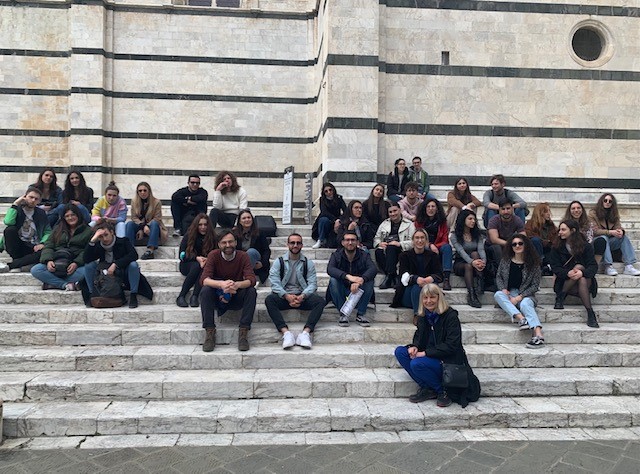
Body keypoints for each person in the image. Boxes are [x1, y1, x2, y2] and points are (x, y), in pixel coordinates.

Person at [394, 284, 481, 407]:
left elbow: (452, 345)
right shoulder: (423, 316)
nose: (428, 301)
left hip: (447, 359)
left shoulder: (450, 316)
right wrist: (415, 346)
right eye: (425, 298)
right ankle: (428, 388)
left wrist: (425, 353)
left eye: (432, 297)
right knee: (400, 352)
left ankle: (442, 391)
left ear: (439, 298)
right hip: (429, 356)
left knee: (417, 363)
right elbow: (419, 336)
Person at [265, 233, 326, 349]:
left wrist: (302, 296)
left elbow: (312, 284)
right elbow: (274, 282)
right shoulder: (279, 262)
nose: (295, 245)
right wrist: (286, 296)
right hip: (284, 296)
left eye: (298, 243)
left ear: (302, 245)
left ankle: (306, 333)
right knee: (269, 300)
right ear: (287, 244)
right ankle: (286, 333)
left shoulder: (308, 263)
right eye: (292, 243)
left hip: (302, 297)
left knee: (320, 301)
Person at [199, 230, 257, 352]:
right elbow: (204, 279)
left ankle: (243, 332)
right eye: (224, 242)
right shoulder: (213, 255)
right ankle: (210, 332)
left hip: (236, 295)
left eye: (230, 241)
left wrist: (236, 285)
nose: (228, 245)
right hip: (218, 296)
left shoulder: (243, 256)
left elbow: (251, 279)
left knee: (251, 291)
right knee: (205, 290)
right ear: (219, 244)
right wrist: (221, 284)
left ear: (236, 242)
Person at [84, 221, 153, 309]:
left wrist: (116, 264)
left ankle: (133, 295)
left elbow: (133, 255)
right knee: (89, 265)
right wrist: (93, 240)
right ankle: (92, 294)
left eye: (106, 234)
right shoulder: (98, 245)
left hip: (122, 273)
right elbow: (86, 259)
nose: (104, 238)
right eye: (101, 236)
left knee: (133, 265)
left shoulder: (123, 241)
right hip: (104, 276)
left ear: (112, 232)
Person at [493, 234, 545, 348]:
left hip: (526, 295)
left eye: (520, 243)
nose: (517, 246)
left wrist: (519, 297)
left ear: (526, 245)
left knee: (526, 304)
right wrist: (503, 289)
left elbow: (535, 286)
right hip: (509, 293)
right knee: (498, 294)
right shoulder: (506, 261)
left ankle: (538, 335)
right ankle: (522, 319)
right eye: (514, 244)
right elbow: (499, 277)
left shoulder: (534, 264)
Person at [549, 220, 599, 328]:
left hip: (584, 282)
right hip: (565, 281)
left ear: (572, 231)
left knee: (580, 271)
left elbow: (593, 266)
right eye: (560, 230)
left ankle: (562, 297)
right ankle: (590, 312)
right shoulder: (556, 247)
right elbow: (555, 267)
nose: (560, 232)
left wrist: (582, 273)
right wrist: (568, 273)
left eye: (563, 230)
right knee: (578, 269)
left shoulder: (586, 246)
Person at [30, 204, 92, 291]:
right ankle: (64, 284)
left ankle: (52, 283)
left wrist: (76, 263)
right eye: (67, 216)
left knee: (89, 270)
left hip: (75, 266)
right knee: (36, 270)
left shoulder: (88, 231)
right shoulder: (57, 229)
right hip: (57, 263)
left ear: (78, 215)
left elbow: (88, 250)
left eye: (73, 215)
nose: (70, 218)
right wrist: (48, 260)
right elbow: (49, 245)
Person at [390, 229, 443, 322]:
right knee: (417, 287)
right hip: (408, 295)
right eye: (417, 238)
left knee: (428, 287)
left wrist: (430, 278)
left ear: (426, 240)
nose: (420, 240)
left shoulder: (433, 256)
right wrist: (416, 279)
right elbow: (403, 275)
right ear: (413, 241)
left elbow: (439, 274)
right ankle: (418, 315)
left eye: (422, 238)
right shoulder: (404, 255)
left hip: (428, 292)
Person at [327, 231, 377, 327]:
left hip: (359, 291)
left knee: (369, 280)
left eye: (353, 240)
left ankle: (361, 314)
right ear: (343, 243)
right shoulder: (336, 255)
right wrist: (348, 277)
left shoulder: (364, 255)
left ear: (357, 242)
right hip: (343, 291)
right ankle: (344, 314)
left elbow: (373, 269)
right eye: (347, 240)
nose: (350, 243)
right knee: (333, 280)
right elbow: (330, 269)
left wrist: (361, 280)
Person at [0, 187, 51, 273]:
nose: (33, 200)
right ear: (25, 197)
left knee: (44, 252)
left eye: (36, 199)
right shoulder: (17, 209)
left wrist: (42, 243)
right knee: (10, 230)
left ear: (39, 201)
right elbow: (8, 222)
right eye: (31, 197)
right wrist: (15, 203)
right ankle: (20, 263)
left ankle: (12, 265)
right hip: (18, 245)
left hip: (33, 246)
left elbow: (48, 231)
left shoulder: (41, 213)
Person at [589, 193, 640, 276]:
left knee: (623, 237)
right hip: (597, 243)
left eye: (610, 201)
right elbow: (595, 231)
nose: (607, 202)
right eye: (605, 200)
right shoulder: (593, 214)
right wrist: (610, 232)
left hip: (610, 243)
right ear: (601, 202)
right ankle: (608, 266)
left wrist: (620, 232)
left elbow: (618, 226)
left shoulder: (614, 214)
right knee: (603, 238)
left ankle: (629, 265)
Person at [176, 214, 217, 308]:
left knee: (204, 268)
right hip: (187, 264)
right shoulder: (189, 235)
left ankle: (195, 296)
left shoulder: (213, 237)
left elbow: (216, 253)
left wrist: (208, 259)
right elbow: (182, 255)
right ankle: (181, 295)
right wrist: (196, 258)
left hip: (205, 264)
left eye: (205, 225)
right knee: (197, 266)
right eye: (200, 225)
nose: (203, 227)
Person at [373, 203, 415, 289]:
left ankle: (388, 278)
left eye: (395, 211)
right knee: (378, 251)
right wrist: (379, 243)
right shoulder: (384, 224)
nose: (393, 214)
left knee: (391, 248)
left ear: (400, 210)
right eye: (390, 212)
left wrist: (400, 244)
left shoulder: (409, 224)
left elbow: (413, 242)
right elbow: (376, 238)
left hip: (401, 251)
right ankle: (393, 275)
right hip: (386, 250)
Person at [450, 210, 486, 308]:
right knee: (468, 265)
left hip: (476, 263)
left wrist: (483, 262)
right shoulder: (455, 236)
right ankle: (472, 295)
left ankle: (480, 281)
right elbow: (461, 252)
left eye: (474, 219)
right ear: (463, 220)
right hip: (461, 263)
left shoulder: (477, 234)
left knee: (475, 253)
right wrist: (472, 262)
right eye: (470, 219)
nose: (473, 221)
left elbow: (481, 250)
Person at [415, 198, 453, 291]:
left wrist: (436, 246)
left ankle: (446, 278)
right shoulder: (419, 222)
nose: (430, 209)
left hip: (438, 247)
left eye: (433, 206)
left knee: (447, 248)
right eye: (428, 206)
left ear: (437, 209)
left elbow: (445, 239)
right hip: (424, 247)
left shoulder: (442, 222)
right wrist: (430, 245)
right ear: (424, 208)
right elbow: (418, 238)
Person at [125, 182, 168, 260]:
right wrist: (142, 227)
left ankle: (150, 250)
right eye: (140, 191)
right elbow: (134, 217)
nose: (142, 193)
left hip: (153, 227)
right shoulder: (134, 202)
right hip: (140, 226)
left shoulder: (156, 202)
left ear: (149, 191)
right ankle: (129, 249)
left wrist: (147, 226)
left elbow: (157, 218)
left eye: (145, 190)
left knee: (154, 223)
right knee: (129, 224)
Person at [233, 209, 271, 285]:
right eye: (244, 218)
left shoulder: (260, 233)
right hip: (240, 261)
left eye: (249, 217)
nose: (247, 220)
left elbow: (266, 250)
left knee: (251, 252)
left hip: (255, 258)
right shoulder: (234, 233)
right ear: (240, 221)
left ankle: (246, 279)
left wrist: (262, 263)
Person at [564, 200, 606, 267]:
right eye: (573, 208)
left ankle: (594, 266)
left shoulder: (588, 223)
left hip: (586, 247)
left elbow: (590, 239)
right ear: (569, 211)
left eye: (578, 208)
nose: (576, 210)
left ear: (582, 210)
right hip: (571, 249)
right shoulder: (565, 224)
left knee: (601, 241)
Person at [486, 200, 525, 265]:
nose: (506, 212)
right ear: (499, 210)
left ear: (512, 209)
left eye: (508, 208)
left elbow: (523, 237)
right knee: (497, 247)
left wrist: (517, 244)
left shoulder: (517, 220)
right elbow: (494, 240)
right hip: (492, 246)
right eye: (503, 209)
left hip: (508, 244)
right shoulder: (493, 220)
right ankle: (502, 270)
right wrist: (511, 244)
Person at [311, 182, 347, 249]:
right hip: (326, 220)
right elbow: (324, 212)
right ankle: (320, 240)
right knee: (323, 220)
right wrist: (335, 220)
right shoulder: (323, 199)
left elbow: (345, 211)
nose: (329, 192)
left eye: (330, 190)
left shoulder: (339, 198)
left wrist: (339, 219)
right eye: (326, 191)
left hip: (337, 221)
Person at [525, 202, 557, 273]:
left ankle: (547, 267)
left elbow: (555, 240)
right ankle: (538, 266)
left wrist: (548, 243)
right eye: (546, 211)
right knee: (535, 240)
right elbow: (531, 237)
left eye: (549, 211)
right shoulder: (530, 224)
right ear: (540, 213)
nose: (549, 213)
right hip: (535, 253)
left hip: (547, 252)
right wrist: (547, 242)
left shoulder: (551, 226)